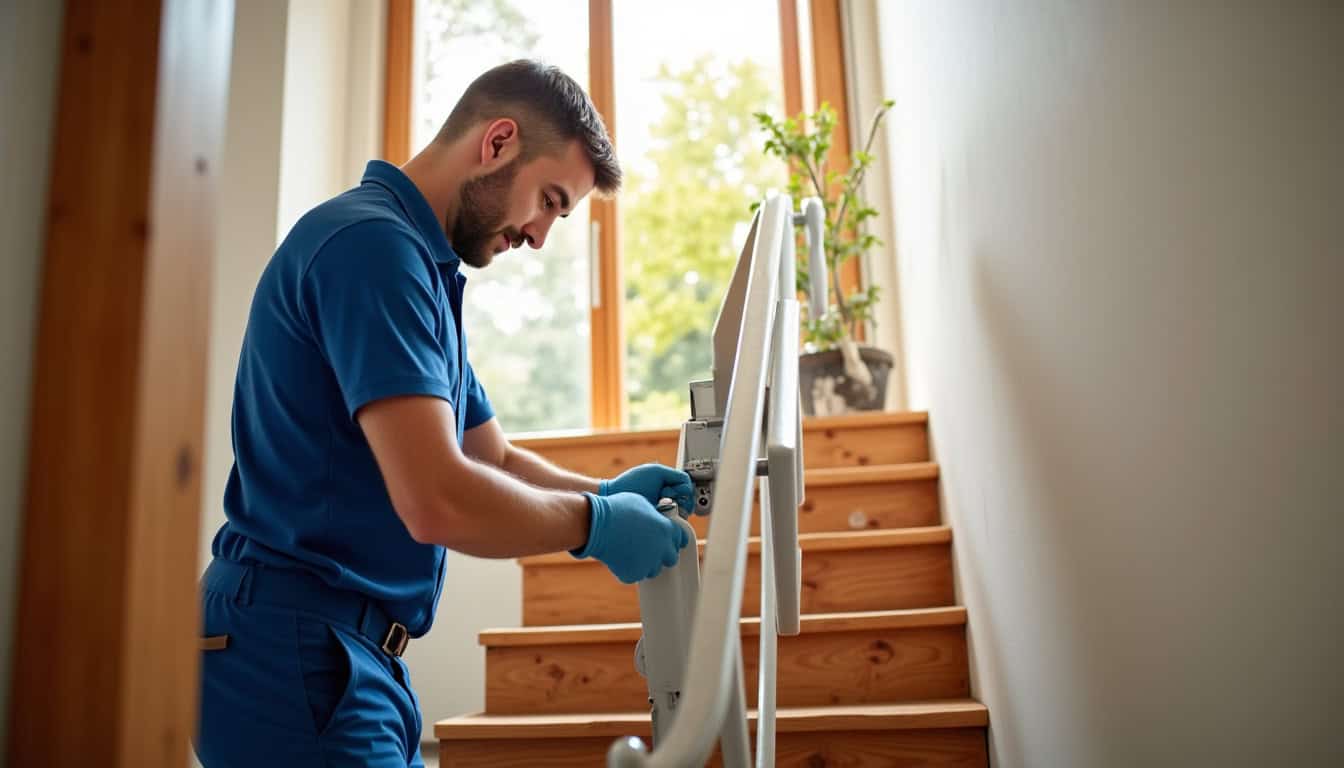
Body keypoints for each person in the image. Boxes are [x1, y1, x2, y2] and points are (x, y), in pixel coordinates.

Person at [194, 60, 693, 768]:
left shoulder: (418, 268)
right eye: (549, 201)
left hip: (350, 651)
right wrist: (596, 526)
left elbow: (492, 458)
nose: (542, 235)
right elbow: (436, 500)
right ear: (497, 142)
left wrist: (605, 493)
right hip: (295, 644)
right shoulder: (373, 250)